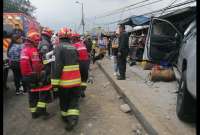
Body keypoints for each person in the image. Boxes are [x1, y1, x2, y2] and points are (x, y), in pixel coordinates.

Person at [51, 27, 81, 131]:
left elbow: (56, 66)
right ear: (69, 37)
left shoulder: (58, 48)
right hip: (76, 81)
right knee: (74, 100)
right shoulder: (73, 47)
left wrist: (54, 83)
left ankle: (64, 117)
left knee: (64, 100)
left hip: (65, 82)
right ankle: (72, 119)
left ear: (59, 36)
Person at [20, 29, 50, 119]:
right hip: (33, 76)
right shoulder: (33, 50)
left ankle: (34, 113)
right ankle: (42, 111)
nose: (38, 43)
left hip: (25, 77)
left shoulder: (24, 49)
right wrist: (43, 65)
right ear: (32, 41)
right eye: (36, 41)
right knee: (46, 88)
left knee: (32, 94)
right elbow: (37, 67)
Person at [38, 27, 54, 102]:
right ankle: (43, 102)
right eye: (51, 34)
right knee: (45, 85)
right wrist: (53, 59)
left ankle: (47, 99)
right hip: (45, 67)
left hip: (45, 67)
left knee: (47, 84)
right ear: (48, 35)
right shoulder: (45, 43)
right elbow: (45, 59)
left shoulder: (44, 41)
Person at [71, 32, 90, 98]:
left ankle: (78, 92)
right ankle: (83, 91)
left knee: (78, 78)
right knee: (84, 79)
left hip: (79, 63)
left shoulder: (73, 46)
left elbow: (73, 57)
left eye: (72, 38)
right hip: (86, 63)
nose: (71, 39)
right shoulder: (82, 44)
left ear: (74, 38)